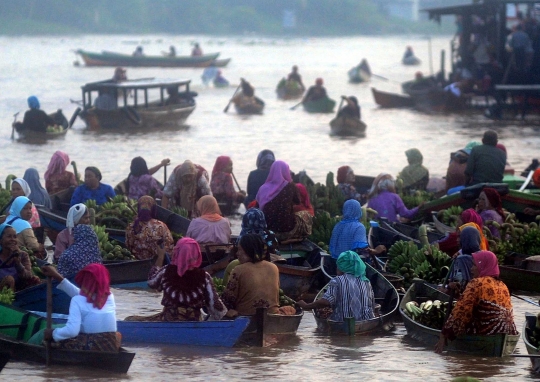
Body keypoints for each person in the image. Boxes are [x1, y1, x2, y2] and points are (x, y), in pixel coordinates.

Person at [125, 238, 227, 321]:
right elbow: (215, 305)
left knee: (130, 319)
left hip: (168, 319)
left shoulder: (166, 271)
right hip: (194, 320)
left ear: (177, 252)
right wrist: (226, 316)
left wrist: (160, 257)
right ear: (197, 255)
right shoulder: (204, 276)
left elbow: (152, 283)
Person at [435, 251, 518, 354]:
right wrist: (459, 292)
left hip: (485, 332)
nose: (471, 269)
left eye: (474, 265)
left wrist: (445, 333)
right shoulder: (503, 286)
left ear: (483, 266)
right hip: (506, 331)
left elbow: (461, 312)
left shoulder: (476, 283)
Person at [30, 264, 120, 352]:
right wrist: (57, 276)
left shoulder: (77, 300)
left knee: (51, 341)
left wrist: (53, 333)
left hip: (91, 346)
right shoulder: (109, 297)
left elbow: (72, 331)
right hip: (110, 344)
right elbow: (82, 296)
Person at [296, 251, 375, 322]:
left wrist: (306, 306)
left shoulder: (337, 281)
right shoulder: (366, 281)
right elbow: (372, 305)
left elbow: (325, 302)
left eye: (338, 265)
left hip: (342, 321)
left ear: (342, 267)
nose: (336, 268)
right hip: (368, 321)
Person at [221, 234, 281, 316]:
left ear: (248, 250)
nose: (237, 254)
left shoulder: (239, 269)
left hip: (245, 316)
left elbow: (227, 300)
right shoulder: (274, 267)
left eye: (239, 250)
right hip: (272, 315)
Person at [256, 160, 312, 242]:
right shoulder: (290, 186)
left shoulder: (263, 188)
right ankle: (302, 237)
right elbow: (298, 201)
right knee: (305, 214)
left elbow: (258, 206)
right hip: (287, 230)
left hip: (266, 229)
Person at [125, 196, 174, 261]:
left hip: (135, 264)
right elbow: (169, 248)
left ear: (139, 208)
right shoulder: (160, 226)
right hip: (157, 264)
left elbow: (127, 247)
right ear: (153, 209)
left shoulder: (131, 226)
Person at [0, 223, 41, 292]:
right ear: (0, 240)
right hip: (2, 291)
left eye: (15, 237)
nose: (12, 239)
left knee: (35, 279)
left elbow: (28, 276)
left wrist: (18, 263)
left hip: (20, 289)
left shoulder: (23, 255)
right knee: (9, 279)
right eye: (9, 236)